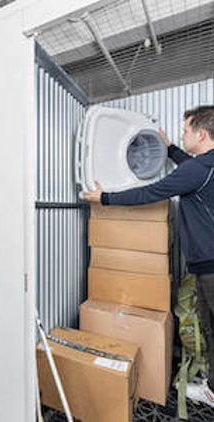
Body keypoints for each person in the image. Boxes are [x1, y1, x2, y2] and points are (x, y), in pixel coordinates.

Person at [83, 105, 214, 408]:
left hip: (210, 267)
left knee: (212, 328)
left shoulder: (197, 170)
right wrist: (170, 150)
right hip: (207, 264)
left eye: (185, 131)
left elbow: (150, 193)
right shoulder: (204, 167)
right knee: (209, 328)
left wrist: (104, 198)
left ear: (202, 134)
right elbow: (191, 170)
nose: (182, 135)